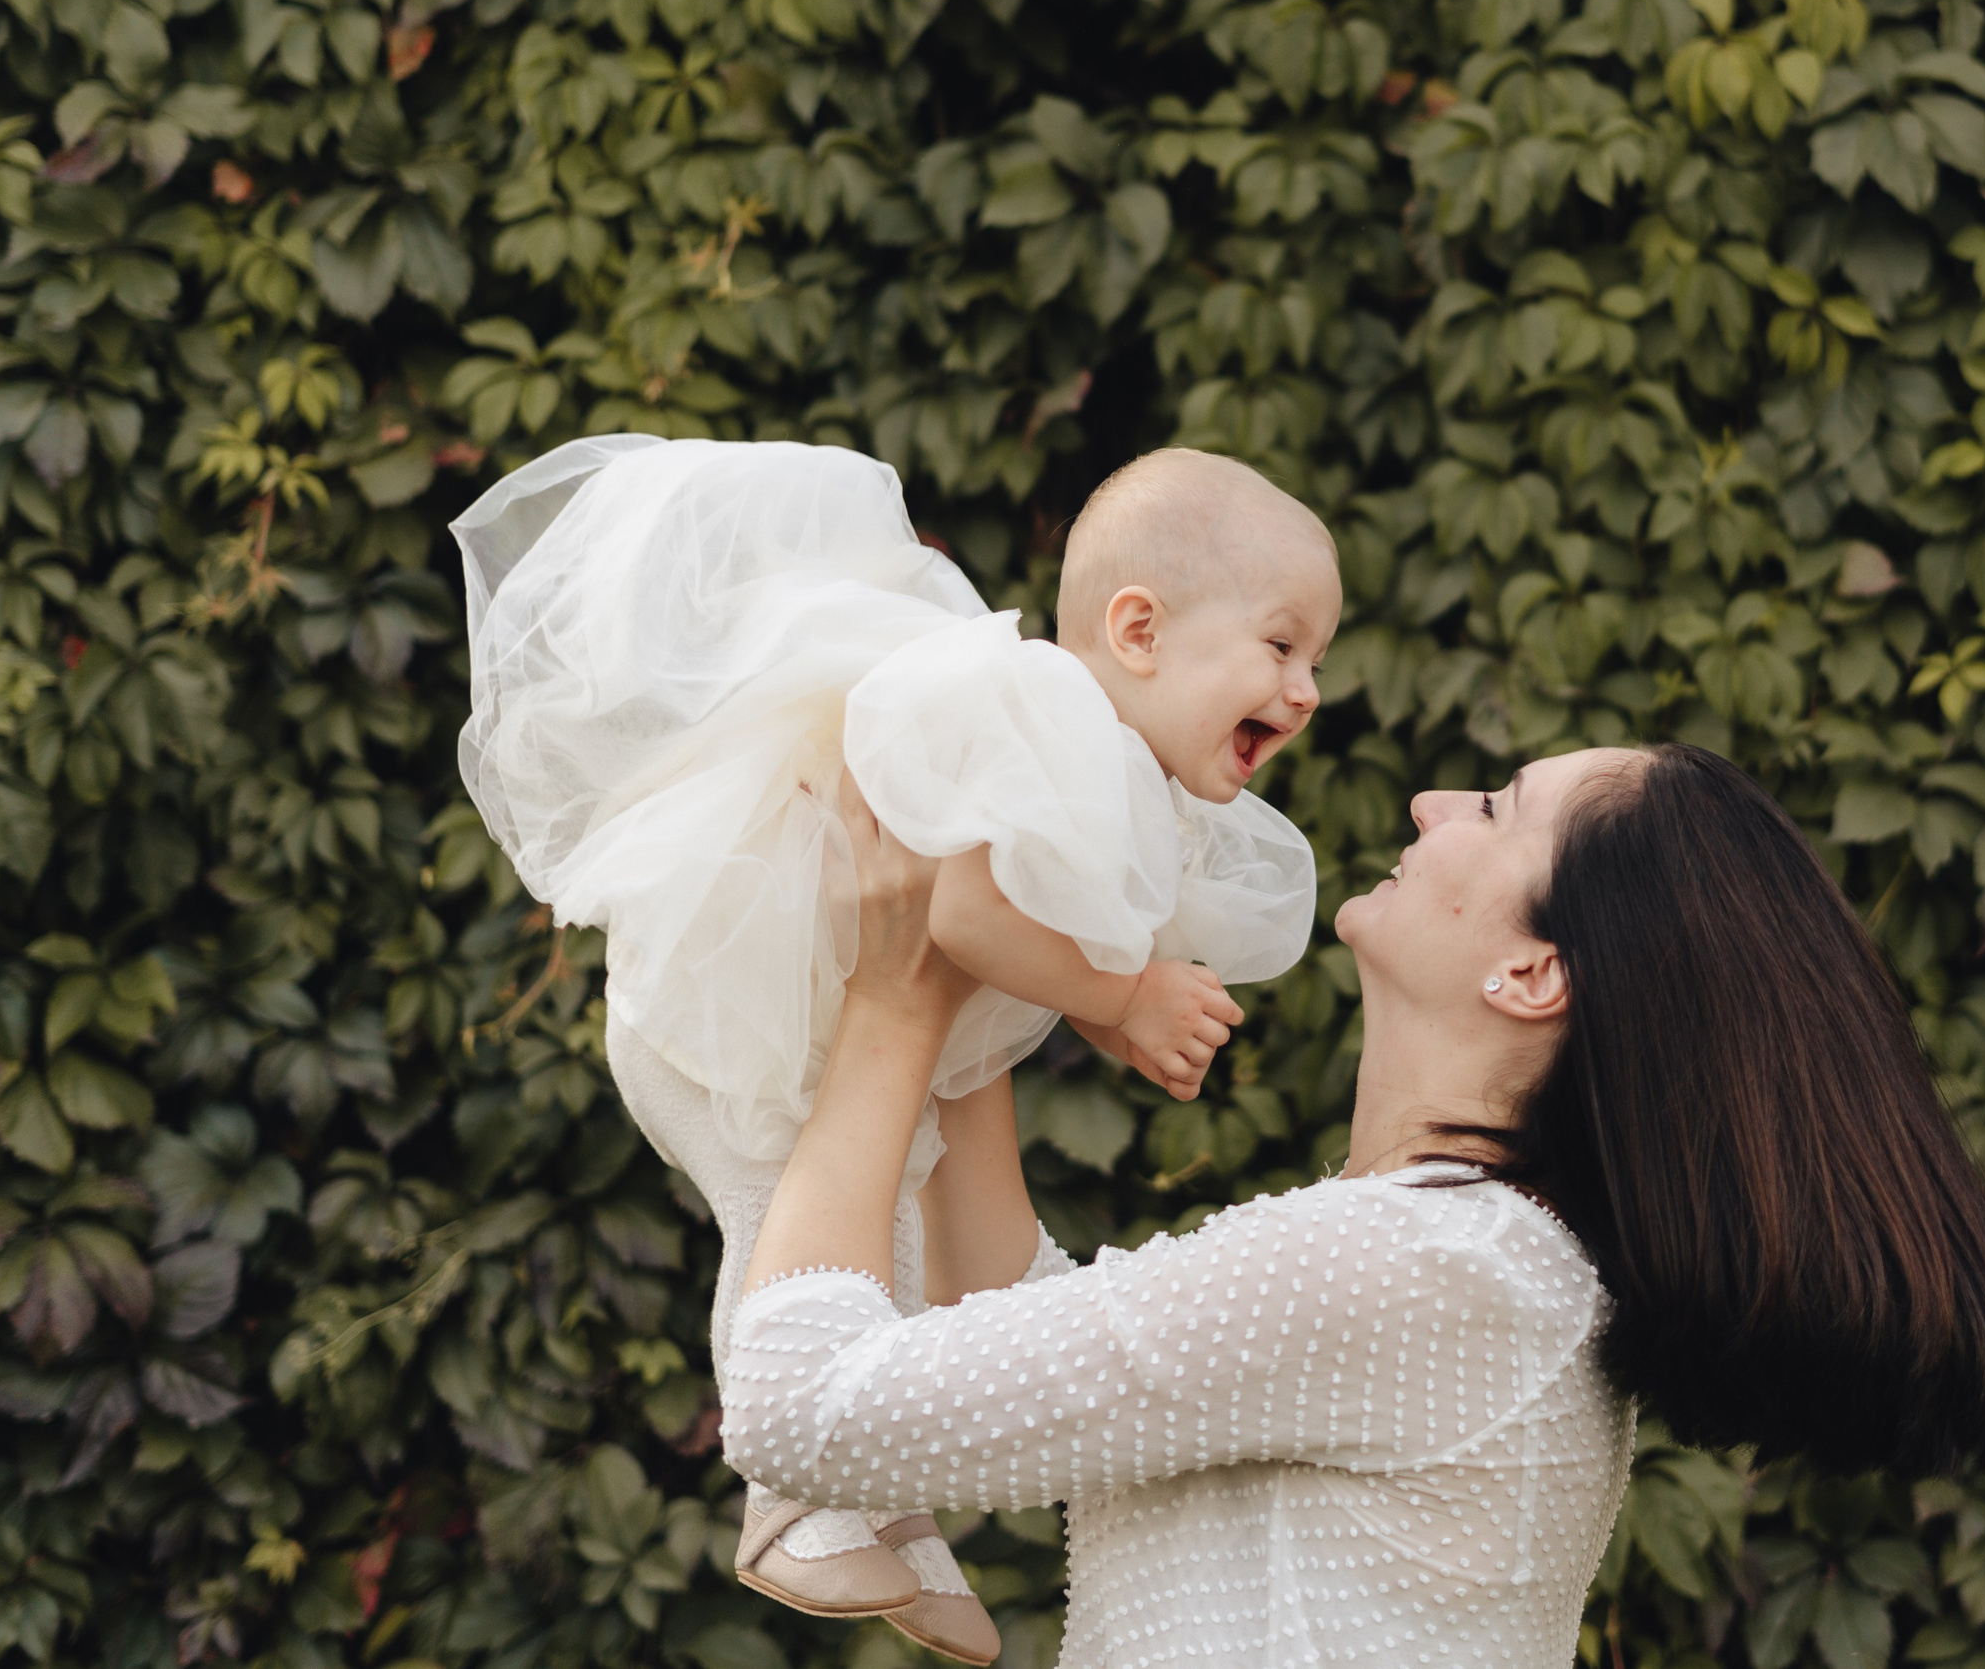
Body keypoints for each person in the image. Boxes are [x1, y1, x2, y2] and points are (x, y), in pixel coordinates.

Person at [722, 744, 1985, 1667]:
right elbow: (1029, 1330)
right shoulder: (1481, 1267)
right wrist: (975, 985)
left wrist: (891, 1008)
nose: (1429, 801)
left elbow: (801, 1407)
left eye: (1497, 805)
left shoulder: (1429, 1265)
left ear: (1533, 969)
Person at [446, 439, 1339, 1659]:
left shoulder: (1108, 761)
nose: (1305, 693)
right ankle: (789, 1502)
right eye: (1282, 647)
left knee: (893, 1249)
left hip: (815, 1025)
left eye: (1317, 663)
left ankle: (895, 1520)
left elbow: (1007, 914)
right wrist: (1122, 997)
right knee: (792, 1224)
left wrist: (1094, 1000)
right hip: (732, 1023)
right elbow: (966, 917)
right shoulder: (1047, 715)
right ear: (1138, 630)